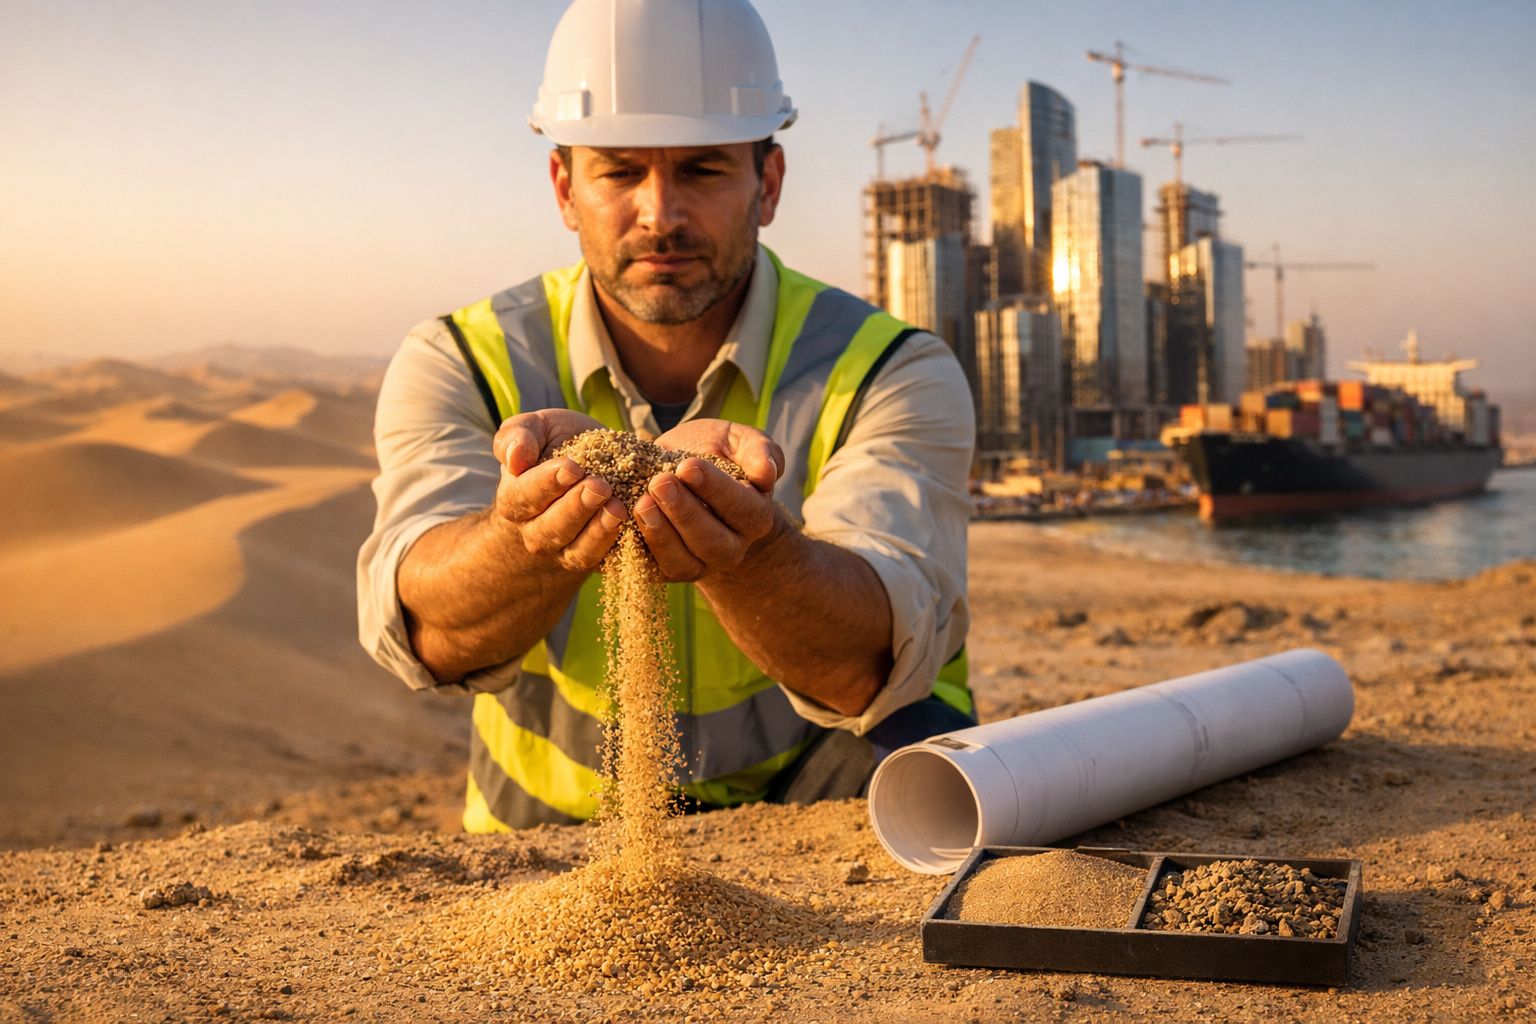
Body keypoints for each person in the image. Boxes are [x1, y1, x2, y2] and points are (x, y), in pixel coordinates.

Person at [357, 0, 975, 832]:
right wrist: (527, 536)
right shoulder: (461, 358)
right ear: (565, 188)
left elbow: (872, 662)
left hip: (830, 836)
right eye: (619, 172)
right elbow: (423, 629)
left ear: (768, 184)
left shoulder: (888, 369)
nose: (661, 215)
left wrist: (752, 552)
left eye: (703, 170)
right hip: (542, 846)